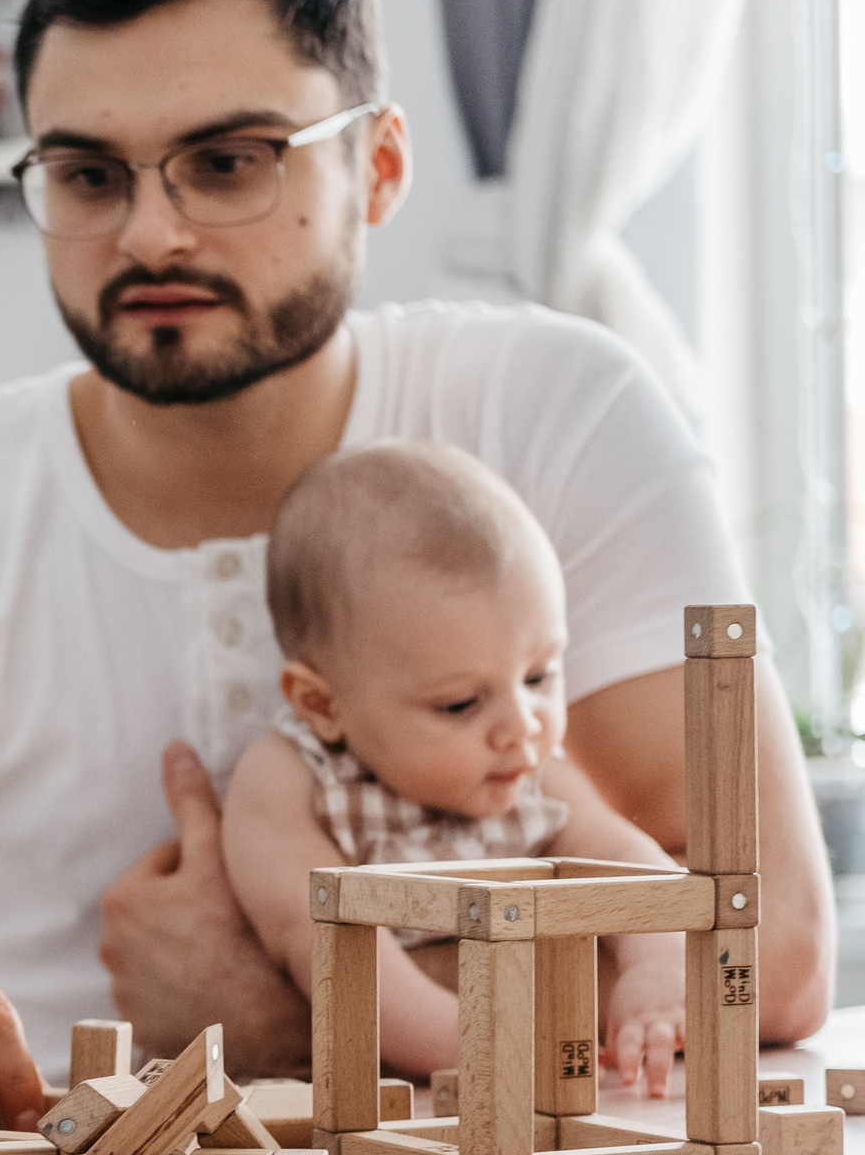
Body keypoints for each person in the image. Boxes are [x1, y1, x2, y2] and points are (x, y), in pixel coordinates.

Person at [0, 0, 833, 1112]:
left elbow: (770, 952)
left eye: (228, 162)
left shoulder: (558, 407)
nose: (150, 235)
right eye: (89, 176)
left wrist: (279, 1010)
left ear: (380, 167)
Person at [219, 443, 683, 1087]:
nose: (523, 724)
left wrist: (658, 969)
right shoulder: (291, 779)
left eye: (539, 674)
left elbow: (629, 866)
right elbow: (327, 949)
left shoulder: (530, 769)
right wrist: (482, 1040)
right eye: (461, 702)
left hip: (539, 1095)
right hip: (388, 1103)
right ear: (323, 705)